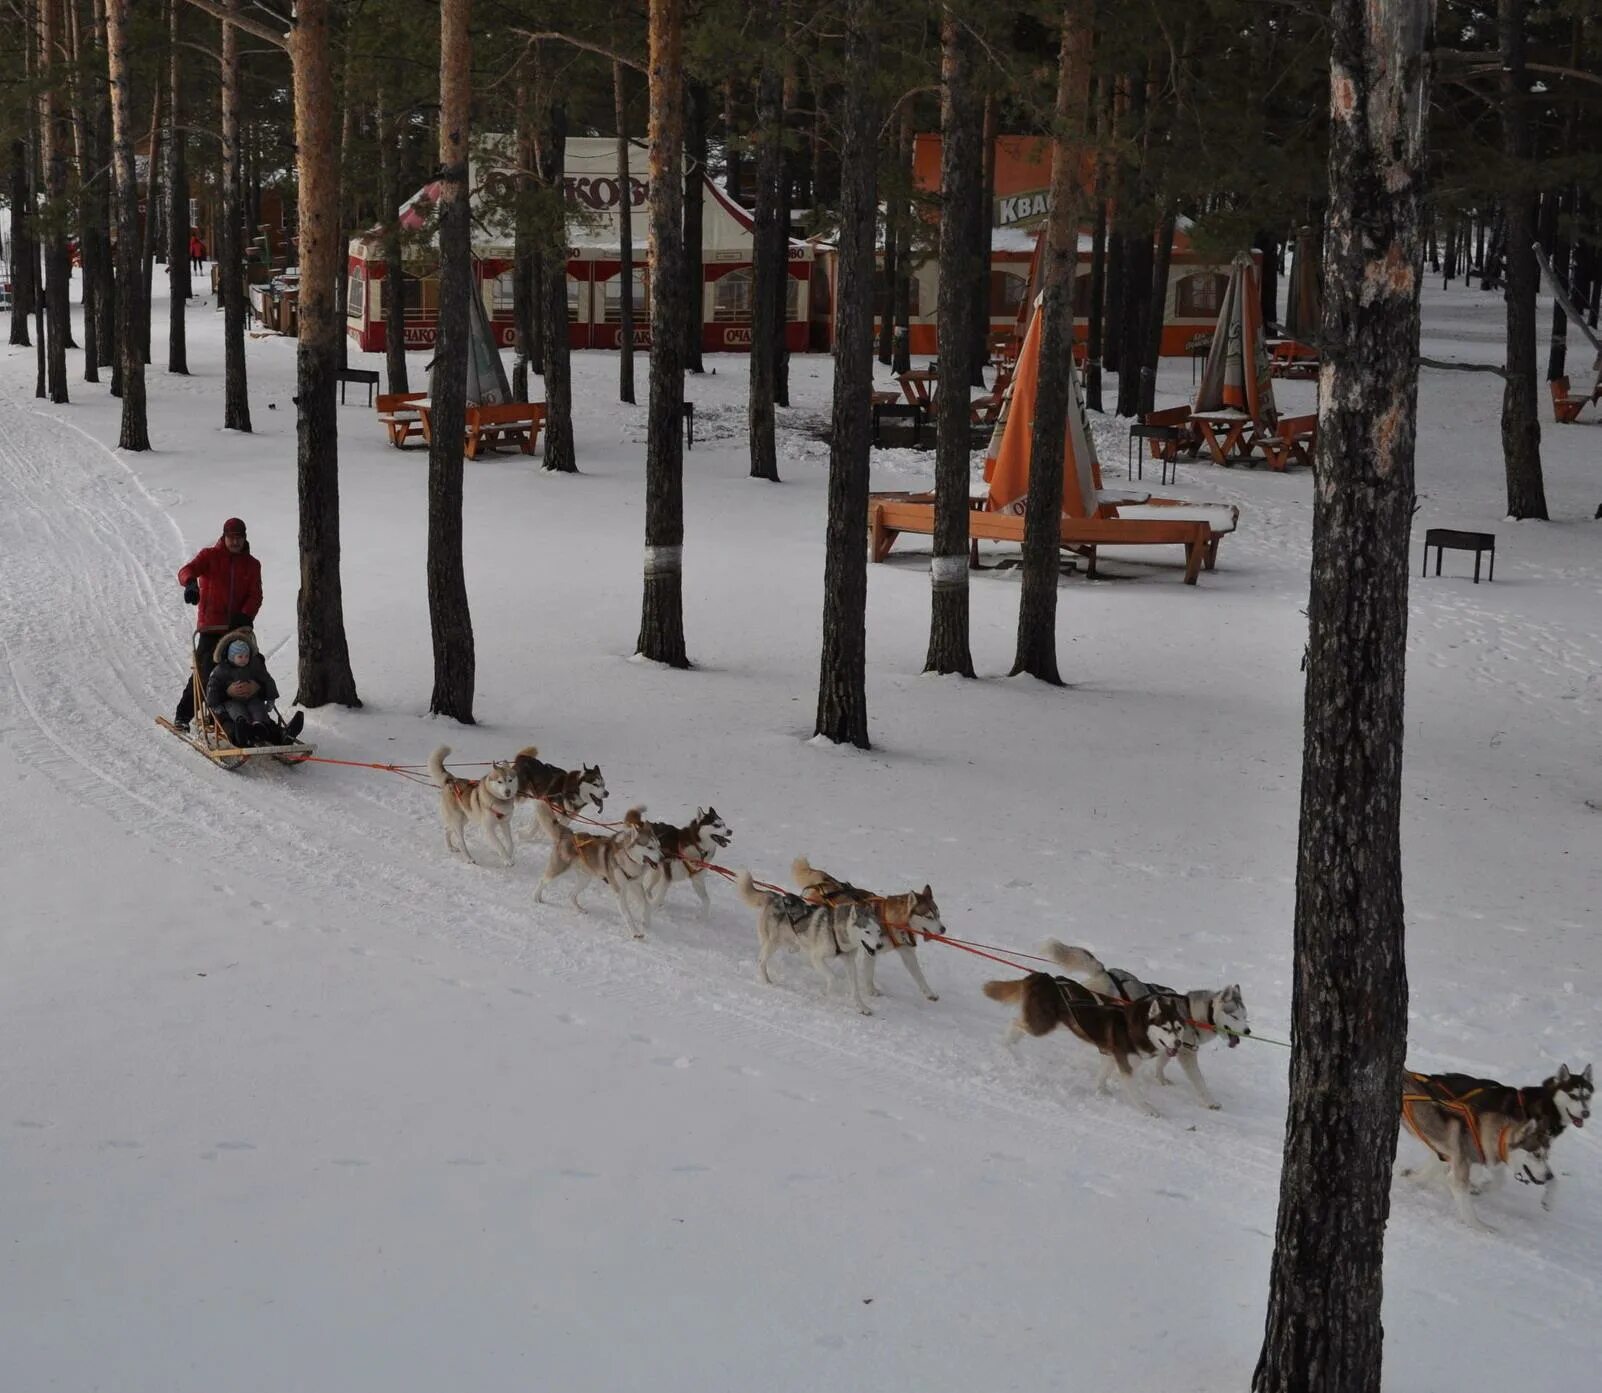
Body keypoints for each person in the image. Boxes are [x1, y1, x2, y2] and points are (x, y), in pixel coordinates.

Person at [174, 517, 262, 732]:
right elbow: (186, 570)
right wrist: (190, 583)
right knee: (205, 673)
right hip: (211, 628)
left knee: (247, 670)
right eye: (232, 538)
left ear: (245, 538)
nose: (235, 542)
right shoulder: (210, 556)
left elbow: (255, 595)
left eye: (239, 538)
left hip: (238, 629)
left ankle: (249, 718)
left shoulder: (252, 564)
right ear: (224, 537)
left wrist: (245, 615)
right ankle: (183, 716)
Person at [203, 629, 303, 747]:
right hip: (230, 703)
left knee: (260, 712)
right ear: (231, 656)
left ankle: (283, 734)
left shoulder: (254, 665)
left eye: (246, 656)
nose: (244, 659)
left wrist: (268, 696)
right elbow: (212, 687)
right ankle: (241, 735)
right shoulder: (221, 669)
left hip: (252, 699)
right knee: (237, 716)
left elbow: (267, 680)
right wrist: (218, 702)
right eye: (240, 657)